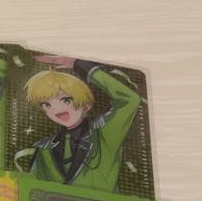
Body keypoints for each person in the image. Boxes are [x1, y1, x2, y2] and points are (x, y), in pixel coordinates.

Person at [24, 55, 143, 192]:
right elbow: (31, 188)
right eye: (47, 104)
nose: (57, 109)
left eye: (65, 100)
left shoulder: (103, 134)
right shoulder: (44, 149)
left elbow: (130, 100)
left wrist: (79, 65)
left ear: (86, 105)